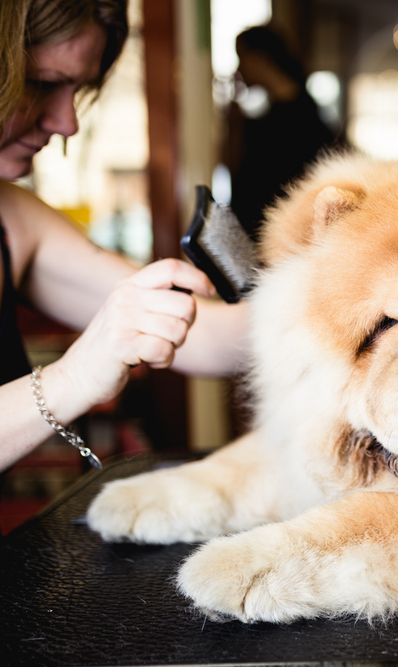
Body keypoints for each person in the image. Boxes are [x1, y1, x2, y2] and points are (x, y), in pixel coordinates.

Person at [0, 0, 247, 471]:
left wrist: (347, 295)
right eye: (42, 83)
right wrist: (73, 377)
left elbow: (206, 334)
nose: (67, 123)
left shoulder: (14, 222)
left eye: (77, 90)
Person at [227, 25, 335, 239]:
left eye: (241, 58)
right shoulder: (267, 118)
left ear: (260, 58)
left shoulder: (304, 120)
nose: (238, 69)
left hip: (277, 240)